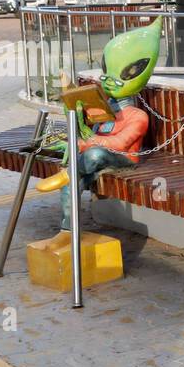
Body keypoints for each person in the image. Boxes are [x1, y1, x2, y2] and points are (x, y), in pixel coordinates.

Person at [35, 18, 161, 231]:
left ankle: (67, 173)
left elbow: (120, 144)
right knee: (72, 184)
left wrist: (87, 143)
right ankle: (67, 231)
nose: (109, 80)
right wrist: (71, 102)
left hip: (120, 159)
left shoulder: (137, 116)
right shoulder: (102, 104)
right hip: (91, 159)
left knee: (94, 156)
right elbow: (81, 120)